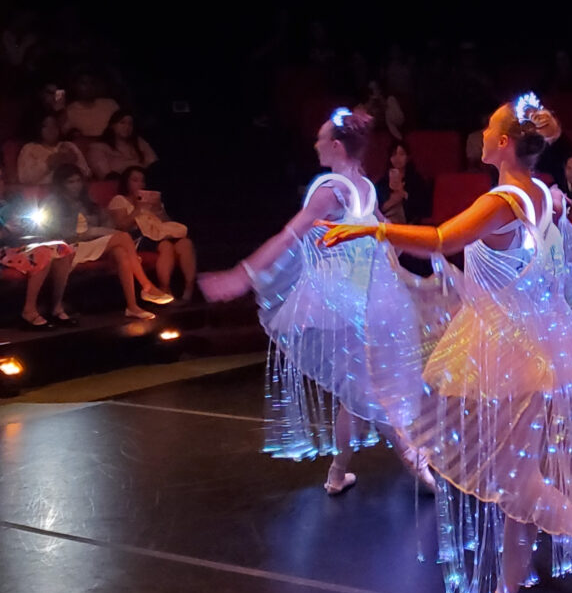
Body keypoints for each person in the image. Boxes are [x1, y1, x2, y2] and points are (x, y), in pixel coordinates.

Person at [317, 98, 572, 593]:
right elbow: (553, 220)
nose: (481, 132)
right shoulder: (542, 193)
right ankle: (507, 591)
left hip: (512, 355)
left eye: (490, 126)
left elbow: (440, 240)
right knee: (521, 475)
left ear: (501, 144)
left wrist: (372, 232)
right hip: (544, 350)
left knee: (518, 482)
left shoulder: (503, 200)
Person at [197, 108, 435, 495]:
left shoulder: (333, 189)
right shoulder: (363, 187)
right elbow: (386, 233)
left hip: (344, 303)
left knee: (358, 392)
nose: (315, 144)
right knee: (362, 389)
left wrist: (242, 274)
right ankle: (410, 461)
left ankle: (345, 472)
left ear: (337, 146)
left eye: (321, 139)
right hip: (355, 303)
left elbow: (290, 235)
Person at [44, 164, 173, 320]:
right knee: (123, 237)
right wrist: (97, 233)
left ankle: (132, 306)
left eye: (78, 181)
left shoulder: (86, 200)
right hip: (70, 246)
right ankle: (147, 286)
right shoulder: (53, 203)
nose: (76, 185)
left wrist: (101, 232)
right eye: (70, 182)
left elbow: (104, 221)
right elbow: (62, 232)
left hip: (93, 242)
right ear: (61, 184)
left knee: (121, 253)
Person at [0, 165, 74, 328]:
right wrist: (6, 231)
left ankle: (56, 307)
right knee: (42, 253)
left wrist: (27, 226)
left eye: (1, 178)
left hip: (20, 246)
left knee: (64, 249)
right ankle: (29, 311)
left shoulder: (10, 204)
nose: (0, 183)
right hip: (4, 252)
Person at [108, 167, 196, 302]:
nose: (140, 184)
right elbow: (121, 226)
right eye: (135, 180)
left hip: (159, 232)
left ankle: (189, 289)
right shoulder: (119, 200)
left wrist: (158, 209)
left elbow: (167, 223)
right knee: (165, 246)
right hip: (137, 236)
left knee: (185, 243)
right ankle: (165, 289)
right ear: (126, 182)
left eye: (142, 181)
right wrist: (138, 208)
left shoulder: (150, 200)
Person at [17, 113, 91, 185]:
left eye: (54, 125)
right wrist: (48, 164)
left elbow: (87, 173)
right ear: (39, 128)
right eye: (46, 126)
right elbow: (24, 178)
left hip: (68, 190)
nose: (51, 129)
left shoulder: (69, 146)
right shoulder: (29, 148)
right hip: (41, 190)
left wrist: (74, 163)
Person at [87, 110, 158, 179]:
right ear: (112, 125)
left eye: (130, 124)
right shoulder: (98, 147)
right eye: (122, 123)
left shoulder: (139, 142)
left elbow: (153, 162)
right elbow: (105, 174)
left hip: (145, 179)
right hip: (118, 182)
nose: (127, 127)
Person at [374, 139, 429, 225]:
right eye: (394, 154)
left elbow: (423, 208)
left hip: (409, 224)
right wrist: (393, 200)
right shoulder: (382, 182)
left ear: (408, 157)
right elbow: (376, 209)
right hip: (386, 223)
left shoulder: (416, 181)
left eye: (401, 154)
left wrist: (405, 195)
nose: (397, 158)